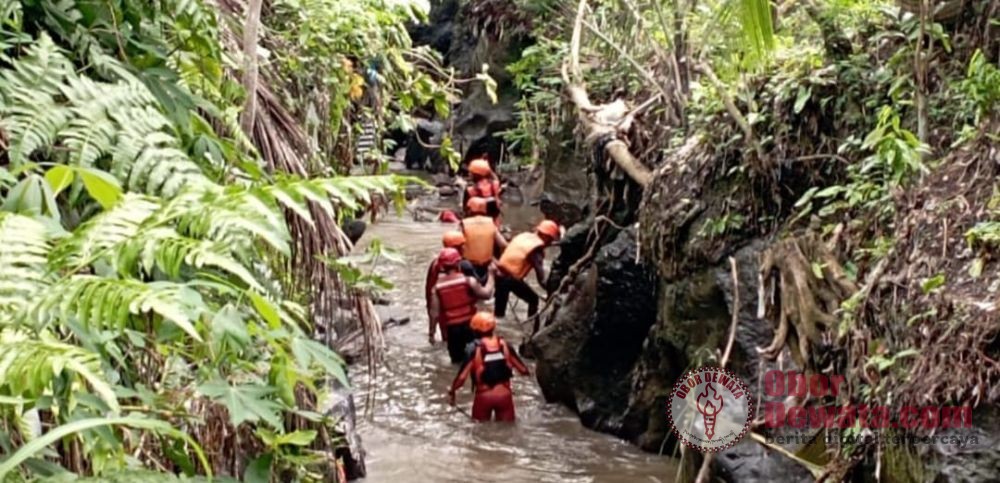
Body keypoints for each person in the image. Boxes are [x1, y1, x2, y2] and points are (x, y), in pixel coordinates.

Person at [449, 311, 530, 422]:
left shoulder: (473, 349)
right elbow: (523, 370)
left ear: (474, 330)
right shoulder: (505, 344)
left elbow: (461, 378)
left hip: (484, 397)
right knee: (507, 431)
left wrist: (452, 391)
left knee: (480, 433)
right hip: (505, 396)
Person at [429, 248, 496, 363]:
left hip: (453, 330)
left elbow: (434, 314)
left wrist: (432, 333)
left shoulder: (437, 288)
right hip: (471, 326)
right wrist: (491, 275)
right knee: (477, 358)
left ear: (442, 266)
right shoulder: (469, 281)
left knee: (456, 362)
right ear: (458, 263)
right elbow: (487, 294)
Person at [495, 220, 560, 333]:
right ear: (546, 236)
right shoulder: (536, 250)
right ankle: (531, 330)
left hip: (499, 275)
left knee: (499, 315)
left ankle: (496, 332)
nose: (549, 243)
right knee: (533, 299)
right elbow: (541, 279)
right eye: (550, 240)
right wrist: (554, 291)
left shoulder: (524, 236)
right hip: (511, 279)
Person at [460, 197, 508, 283]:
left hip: (468, 266)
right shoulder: (491, 222)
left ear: (469, 209)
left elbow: (455, 243)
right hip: (487, 266)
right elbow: (503, 244)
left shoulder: (463, 223)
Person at [425, 230, 467, 318]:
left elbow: (429, 288)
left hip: (443, 308)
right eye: (462, 245)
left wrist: (430, 308)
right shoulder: (460, 264)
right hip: (455, 308)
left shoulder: (435, 263)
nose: (464, 248)